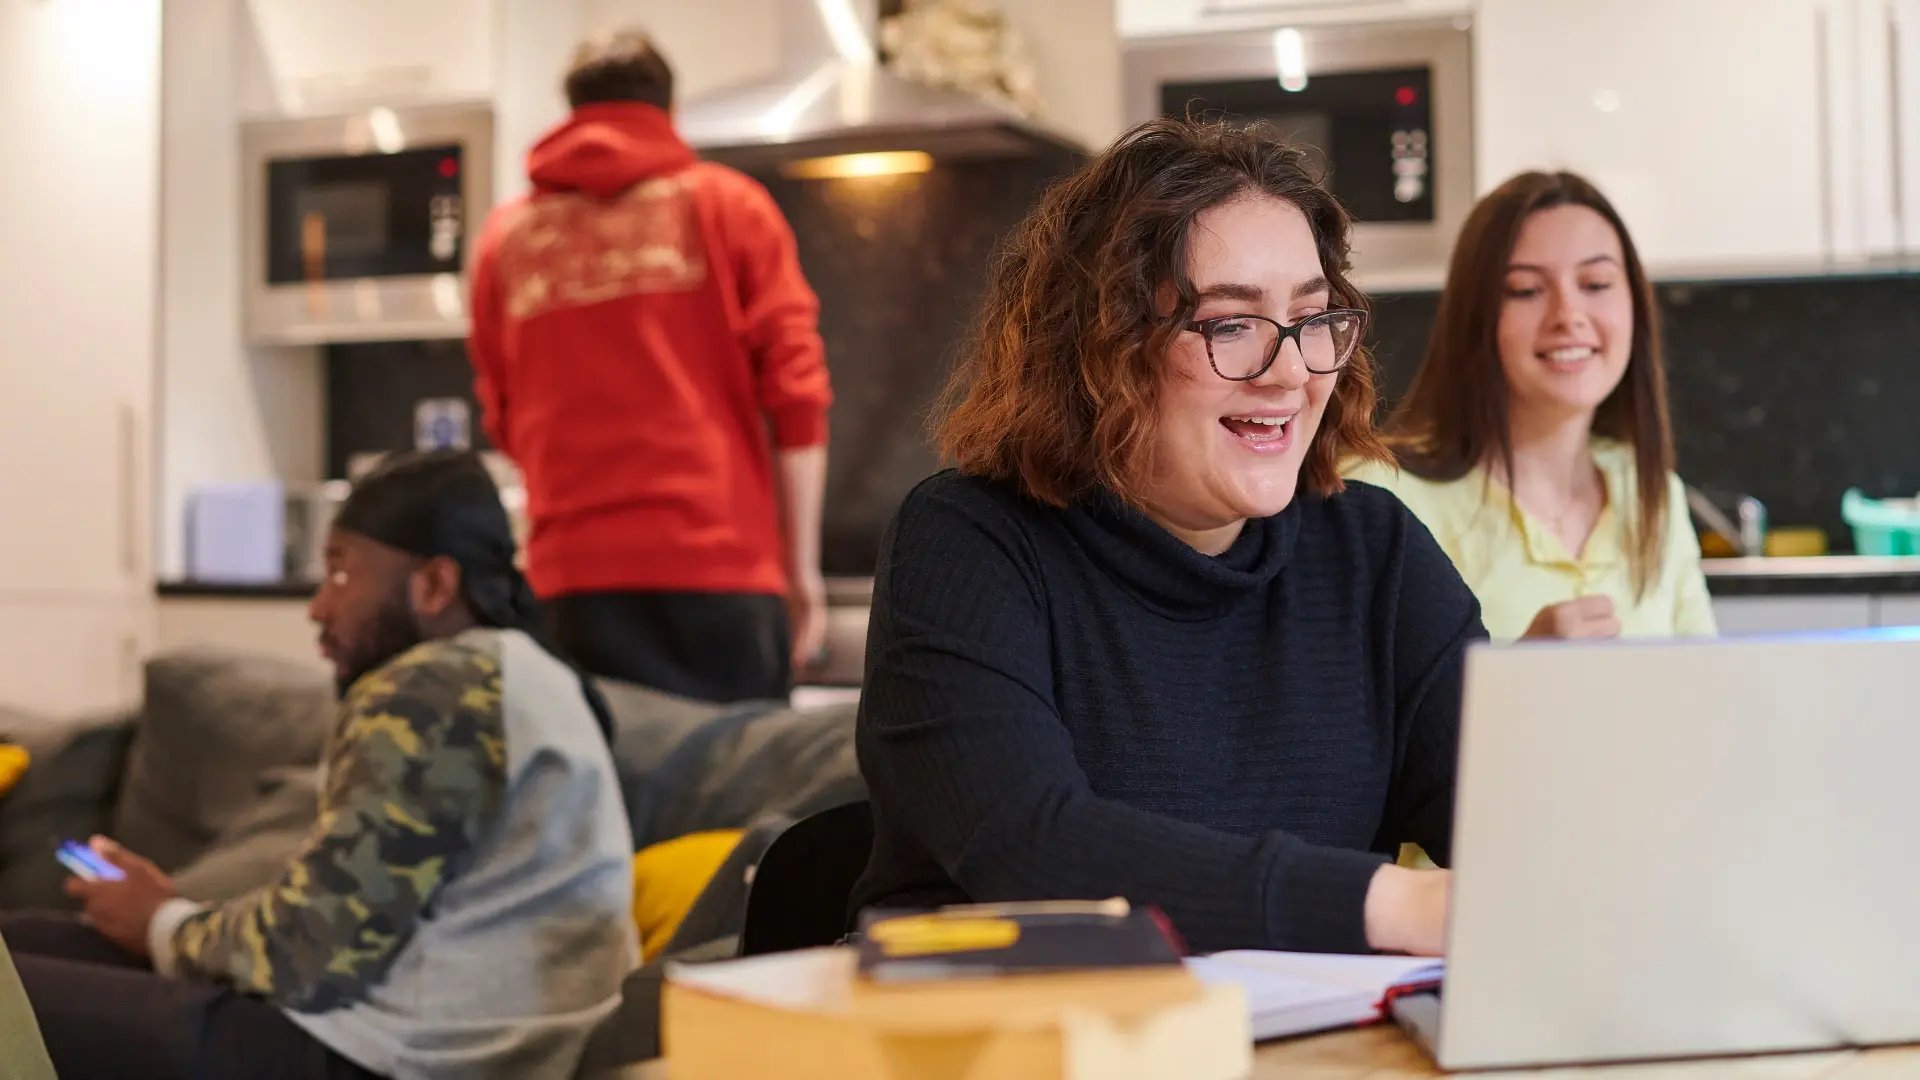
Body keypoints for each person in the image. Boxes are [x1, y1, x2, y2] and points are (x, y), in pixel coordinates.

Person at [849, 119, 1484, 957]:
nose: (1292, 370)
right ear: (1100, 348)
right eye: (1230, 324)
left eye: (1313, 317)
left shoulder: (1376, 555)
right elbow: (1034, 846)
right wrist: (1389, 904)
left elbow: (1521, 824)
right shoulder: (969, 543)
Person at [2, 452, 637, 1080]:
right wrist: (170, 918)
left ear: (435, 586)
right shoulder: (523, 677)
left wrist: (163, 923)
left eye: (339, 574)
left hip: (397, 1057)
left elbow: (309, 952)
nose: (318, 607)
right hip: (407, 1033)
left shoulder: (441, 688)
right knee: (20, 943)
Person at [468, 29, 833, 702]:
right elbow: (798, 403)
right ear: (666, 108)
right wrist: (801, 570)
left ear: (573, 108)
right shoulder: (731, 207)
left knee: (601, 802)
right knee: (736, 800)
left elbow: (503, 418)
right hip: (719, 572)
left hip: (570, 582)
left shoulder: (504, 240)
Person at [1346, 172, 1714, 641]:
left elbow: (1706, 696)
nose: (1568, 315)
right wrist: (1516, 673)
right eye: (1525, 290)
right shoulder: (1377, 497)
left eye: (1596, 283)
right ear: (1475, 318)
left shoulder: (1652, 494)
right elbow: (1344, 711)